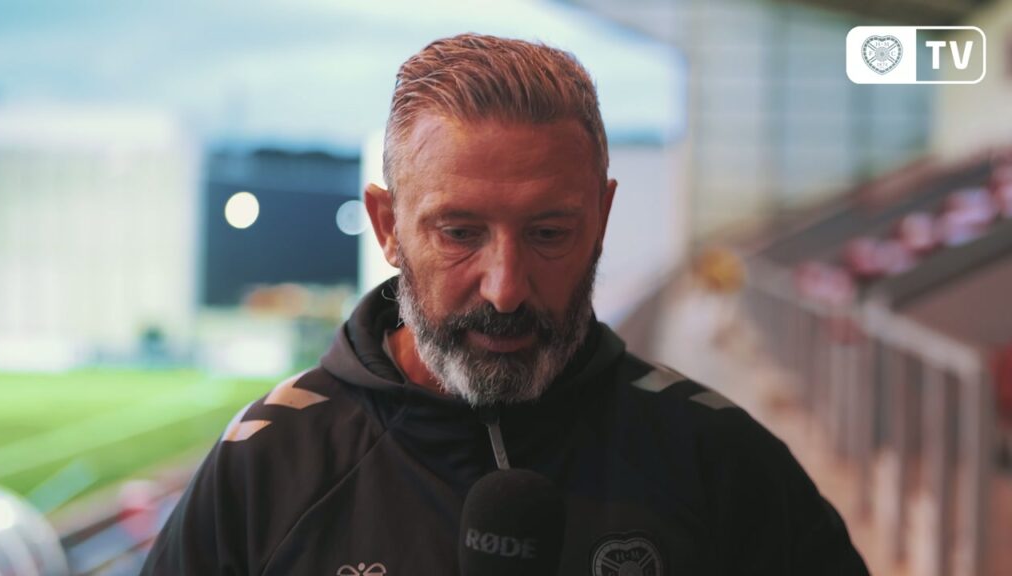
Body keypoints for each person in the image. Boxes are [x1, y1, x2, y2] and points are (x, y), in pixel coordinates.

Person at [142, 33, 868, 575]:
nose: (506, 287)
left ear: (601, 220)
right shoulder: (268, 464)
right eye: (460, 233)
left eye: (548, 233)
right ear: (388, 228)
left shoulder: (721, 459)